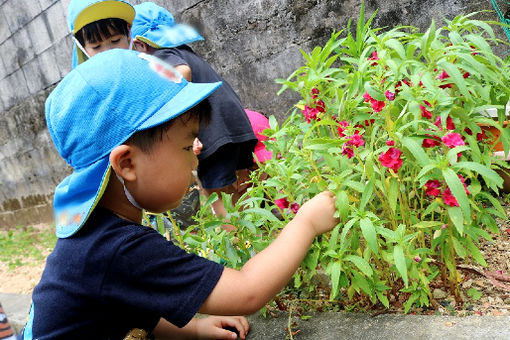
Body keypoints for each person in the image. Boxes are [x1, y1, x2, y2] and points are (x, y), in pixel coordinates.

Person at [17, 50, 338, 339]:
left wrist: (193, 329)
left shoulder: (99, 236)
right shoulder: (117, 248)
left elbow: (131, 300)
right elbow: (248, 291)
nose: (197, 152)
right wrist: (306, 223)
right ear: (127, 163)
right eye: (186, 145)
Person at [131, 2, 259, 219]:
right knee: (243, 187)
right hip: (235, 123)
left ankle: (241, 243)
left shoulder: (161, 56)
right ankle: (264, 232)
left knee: (217, 194)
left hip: (213, 131)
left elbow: (183, 72)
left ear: (140, 45)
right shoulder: (184, 51)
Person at [67, 0, 135, 68]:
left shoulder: (144, 56)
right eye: (96, 47)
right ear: (82, 47)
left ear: (128, 31)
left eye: (115, 40)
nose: (109, 52)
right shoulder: (84, 77)